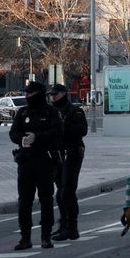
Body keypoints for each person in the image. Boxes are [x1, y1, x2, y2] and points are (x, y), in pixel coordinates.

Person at [9, 81, 63, 250]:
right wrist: (21, 139)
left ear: (39, 94)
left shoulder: (51, 112)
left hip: (45, 160)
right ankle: (25, 237)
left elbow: (57, 132)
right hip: (25, 161)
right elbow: (13, 132)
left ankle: (46, 236)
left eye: (30, 94)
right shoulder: (22, 112)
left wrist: (37, 137)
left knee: (46, 199)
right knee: (24, 201)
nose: (27, 96)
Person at [50, 83, 87, 241]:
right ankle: (64, 225)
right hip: (56, 154)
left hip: (71, 152)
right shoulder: (51, 112)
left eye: (56, 94)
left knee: (67, 191)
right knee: (60, 192)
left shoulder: (74, 111)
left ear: (64, 94)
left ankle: (72, 227)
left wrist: (63, 126)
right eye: (51, 95)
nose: (53, 97)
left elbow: (82, 130)